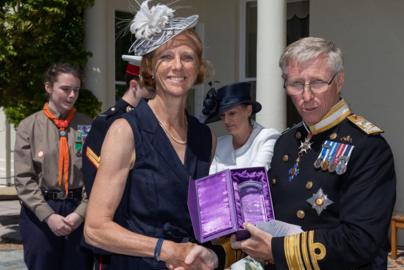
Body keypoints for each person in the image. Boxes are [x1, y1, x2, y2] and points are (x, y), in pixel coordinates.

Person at [231, 37, 396, 269]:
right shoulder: (286, 141)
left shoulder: (367, 147)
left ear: (339, 81)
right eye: (297, 84)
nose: (306, 96)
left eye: (317, 82)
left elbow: (361, 241)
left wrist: (277, 250)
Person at [84, 1, 225, 269]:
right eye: (166, 57)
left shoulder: (206, 137)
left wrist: (214, 255)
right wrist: (167, 250)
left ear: (198, 68)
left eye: (187, 57)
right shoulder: (125, 131)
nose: (177, 66)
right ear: (150, 68)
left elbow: (206, 224)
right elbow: (95, 228)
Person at [14, 63, 92, 269]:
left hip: (78, 210)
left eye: (76, 90)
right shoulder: (29, 126)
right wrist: (48, 216)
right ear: (48, 87)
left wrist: (80, 213)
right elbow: (23, 179)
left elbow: (95, 174)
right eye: (65, 89)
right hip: (41, 212)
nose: (72, 95)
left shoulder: (87, 126)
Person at [82, 54, 152, 270]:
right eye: (151, 90)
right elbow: (95, 182)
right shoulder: (108, 124)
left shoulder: (154, 123)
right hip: (118, 237)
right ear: (134, 85)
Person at [202, 81, 280, 174]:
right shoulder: (219, 145)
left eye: (232, 113)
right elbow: (211, 182)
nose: (226, 121)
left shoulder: (267, 138)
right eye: (222, 115)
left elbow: (254, 178)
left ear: (249, 111)